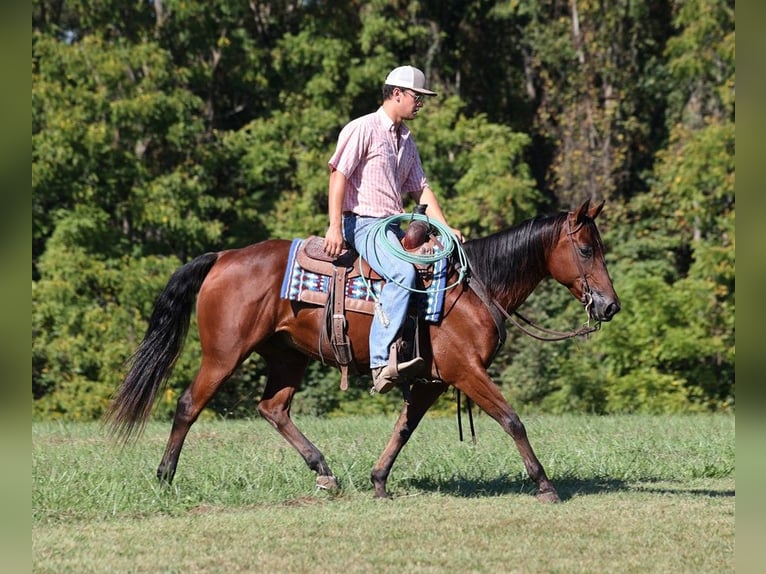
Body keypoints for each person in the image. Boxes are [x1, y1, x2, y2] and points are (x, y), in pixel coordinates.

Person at [323, 65, 463, 394]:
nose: (421, 103)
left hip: (390, 226)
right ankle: (379, 363)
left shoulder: (406, 140)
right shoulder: (363, 128)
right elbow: (338, 175)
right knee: (403, 271)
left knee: (439, 263)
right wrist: (334, 227)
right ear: (396, 94)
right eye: (417, 97)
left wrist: (446, 227)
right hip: (363, 223)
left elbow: (421, 189)